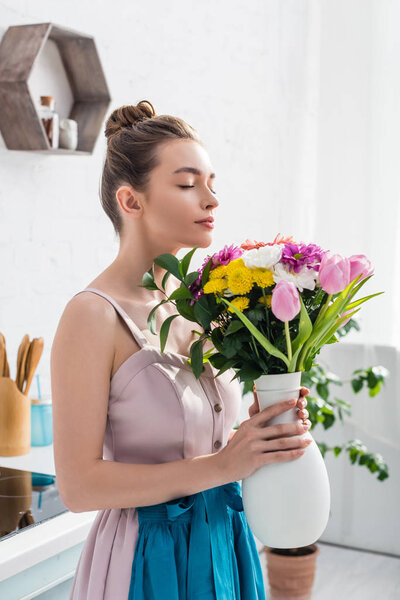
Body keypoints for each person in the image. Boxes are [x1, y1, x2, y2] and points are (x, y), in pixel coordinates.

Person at [50, 99, 311, 599]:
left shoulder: (197, 306)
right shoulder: (93, 314)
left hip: (223, 542)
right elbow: (78, 486)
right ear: (131, 201)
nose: (210, 200)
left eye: (212, 184)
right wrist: (222, 467)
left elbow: (202, 440)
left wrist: (257, 432)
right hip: (147, 561)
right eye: (188, 184)